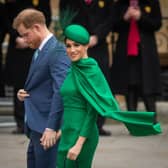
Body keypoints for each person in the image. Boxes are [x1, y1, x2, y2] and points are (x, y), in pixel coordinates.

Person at [57, 24, 162, 168]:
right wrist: (61, 130)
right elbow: (70, 104)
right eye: (68, 46)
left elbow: (91, 112)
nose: (72, 50)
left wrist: (79, 144)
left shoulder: (91, 71)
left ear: (86, 46)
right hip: (67, 133)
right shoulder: (73, 69)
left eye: (77, 45)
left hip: (82, 136)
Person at [14, 9, 70, 168]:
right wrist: (24, 93)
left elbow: (61, 91)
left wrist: (52, 127)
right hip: (36, 127)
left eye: (26, 35)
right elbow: (42, 85)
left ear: (37, 27)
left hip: (47, 129)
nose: (24, 40)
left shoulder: (57, 51)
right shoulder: (40, 50)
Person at [59, 0, 115, 136]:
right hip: (77, 47)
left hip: (99, 46)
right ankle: (78, 121)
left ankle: (99, 124)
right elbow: (65, 18)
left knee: (98, 85)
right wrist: (77, 39)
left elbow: (111, 19)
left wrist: (97, 36)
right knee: (76, 83)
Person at [110, 0, 162, 123]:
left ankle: (153, 122)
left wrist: (141, 17)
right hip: (126, 51)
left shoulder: (152, 2)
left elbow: (157, 23)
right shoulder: (120, 4)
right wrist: (125, 18)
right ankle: (133, 122)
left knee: (148, 86)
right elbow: (112, 26)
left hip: (146, 52)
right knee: (130, 85)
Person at [4, 0, 52, 134]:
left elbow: (45, 18)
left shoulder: (51, 51)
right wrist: (16, 37)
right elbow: (7, 19)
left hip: (35, 46)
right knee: (19, 85)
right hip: (16, 48)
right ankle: (21, 122)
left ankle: (34, 120)